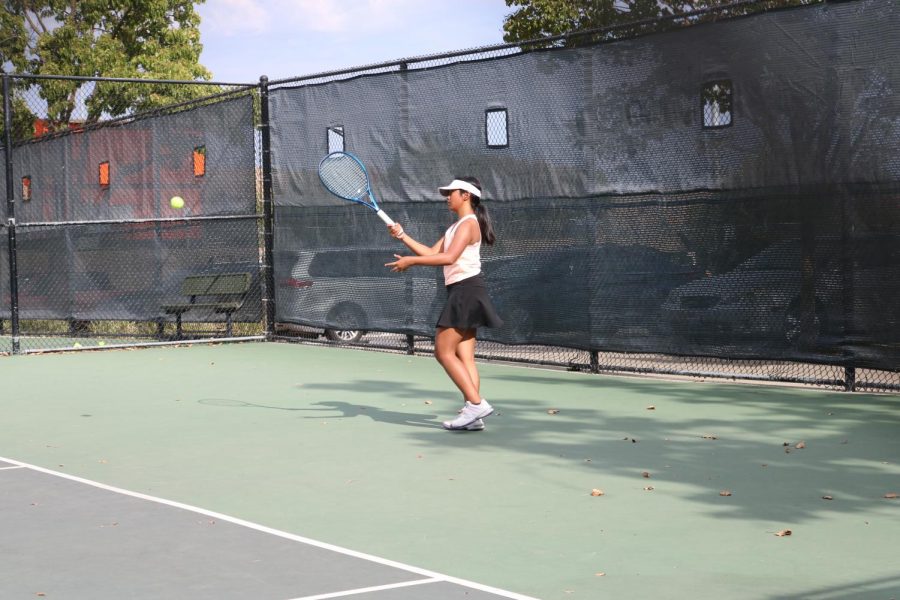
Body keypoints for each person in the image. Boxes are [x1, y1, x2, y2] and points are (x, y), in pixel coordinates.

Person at [385, 176, 503, 431]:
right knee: (464, 356)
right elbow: (432, 253)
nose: (446, 196)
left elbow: (448, 258)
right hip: (466, 290)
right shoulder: (456, 226)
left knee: (443, 351)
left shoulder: (468, 224)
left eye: (451, 192)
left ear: (466, 196)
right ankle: (474, 415)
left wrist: (410, 262)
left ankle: (475, 404)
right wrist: (403, 236)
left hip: (466, 291)